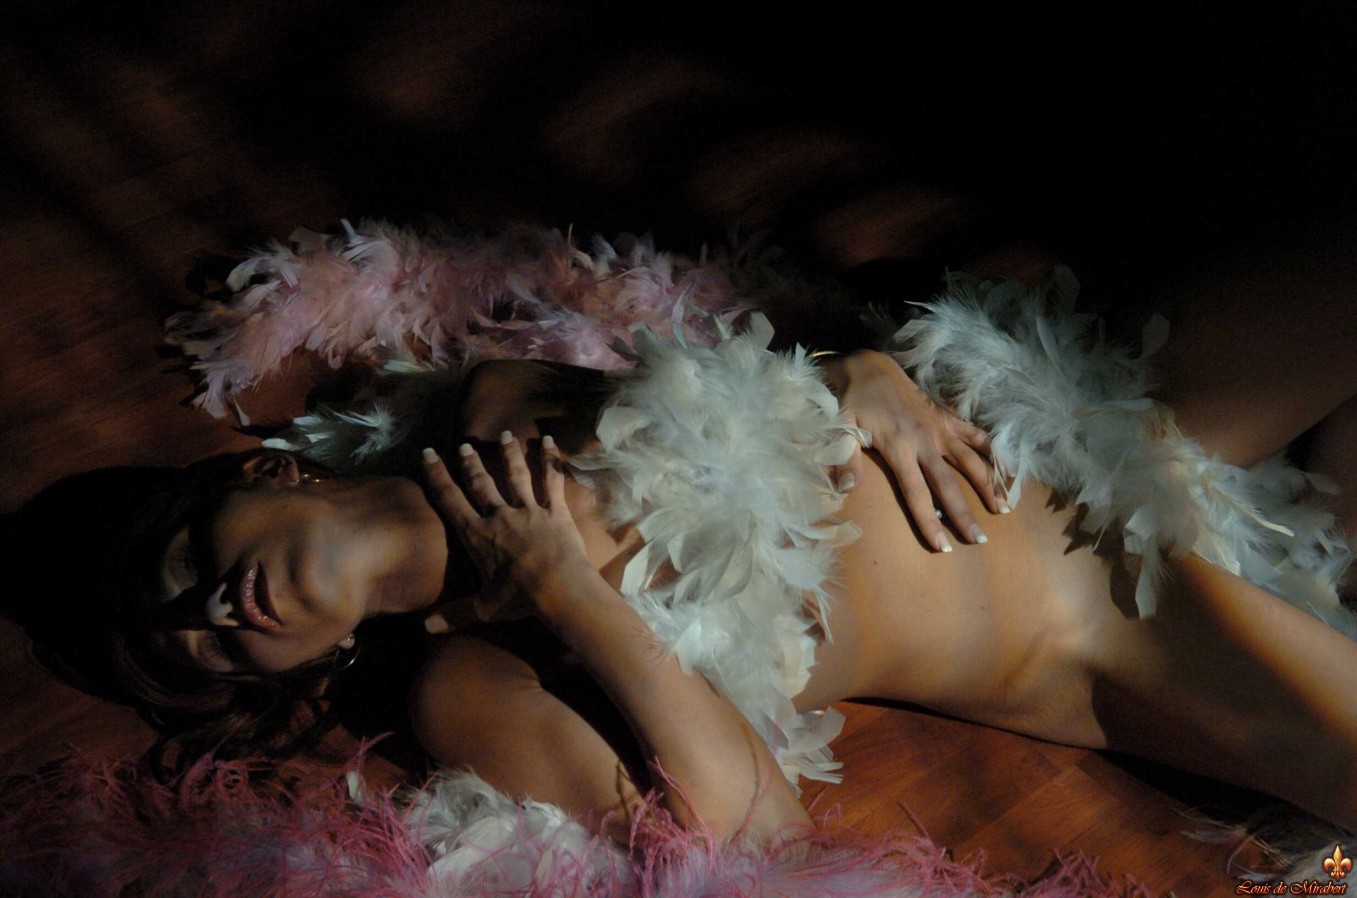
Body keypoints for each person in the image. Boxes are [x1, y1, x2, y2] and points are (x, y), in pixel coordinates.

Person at [7, 243, 1356, 853]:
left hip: (1071, 411)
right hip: (1105, 623)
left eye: (179, 563)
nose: (208, 608)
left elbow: (748, 391)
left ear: (260, 473)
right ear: (293, 665)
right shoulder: (472, 679)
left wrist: (858, 371)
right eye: (195, 650)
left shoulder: (496, 396)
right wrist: (562, 590)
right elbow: (750, 828)